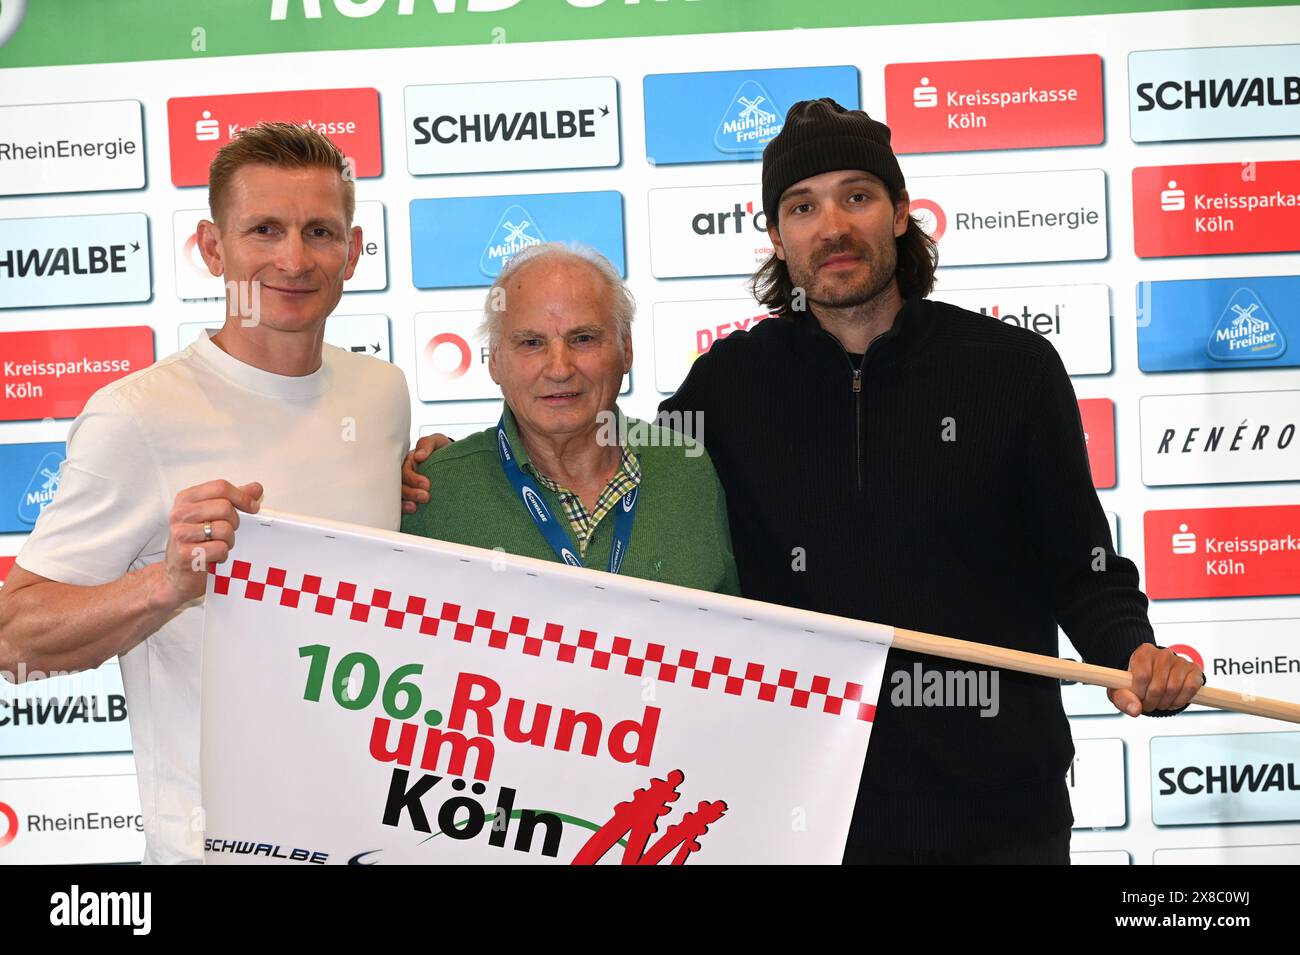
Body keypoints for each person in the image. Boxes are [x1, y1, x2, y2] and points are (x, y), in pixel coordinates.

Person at [402, 99, 1204, 865]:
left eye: (856, 196)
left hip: (1001, 811)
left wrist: (1133, 650)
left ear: (898, 212)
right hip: (803, 812)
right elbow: (594, 438)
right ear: (778, 239)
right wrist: (445, 465)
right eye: (803, 207)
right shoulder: (731, 383)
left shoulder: (1013, 370)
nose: (834, 226)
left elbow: (1081, 563)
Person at [0, 122, 411, 864]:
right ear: (213, 248)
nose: (293, 258)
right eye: (264, 230)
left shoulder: (380, 394)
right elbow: (14, 633)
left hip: (372, 838)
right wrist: (166, 584)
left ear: (352, 252)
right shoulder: (139, 415)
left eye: (319, 230)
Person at [401, 242, 738, 595]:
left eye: (583, 338)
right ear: (495, 360)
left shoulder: (689, 469)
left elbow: (738, 634)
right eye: (531, 343)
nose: (560, 369)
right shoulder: (433, 491)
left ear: (627, 349)